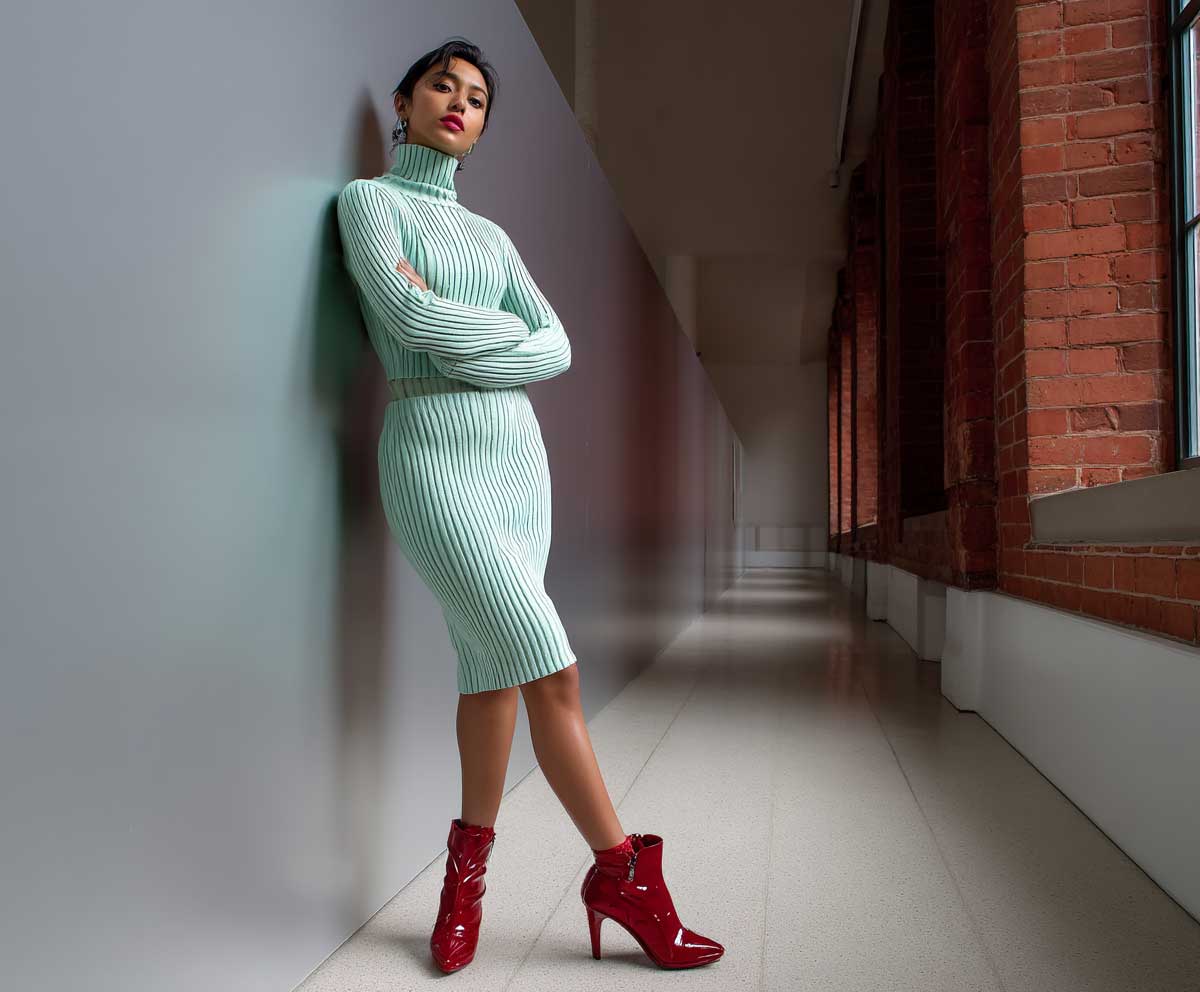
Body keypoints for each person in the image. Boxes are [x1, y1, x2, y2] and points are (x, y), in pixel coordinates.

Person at [336, 37, 724, 975]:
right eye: (442, 86)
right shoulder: (370, 204)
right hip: (430, 451)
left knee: (493, 671)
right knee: (551, 668)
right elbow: (408, 322)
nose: (459, 104)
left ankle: (463, 885)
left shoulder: (494, 238)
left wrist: (475, 332)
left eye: (476, 97)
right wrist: (496, 334)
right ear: (405, 101)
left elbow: (555, 350)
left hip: (517, 462)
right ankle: (622, 874)